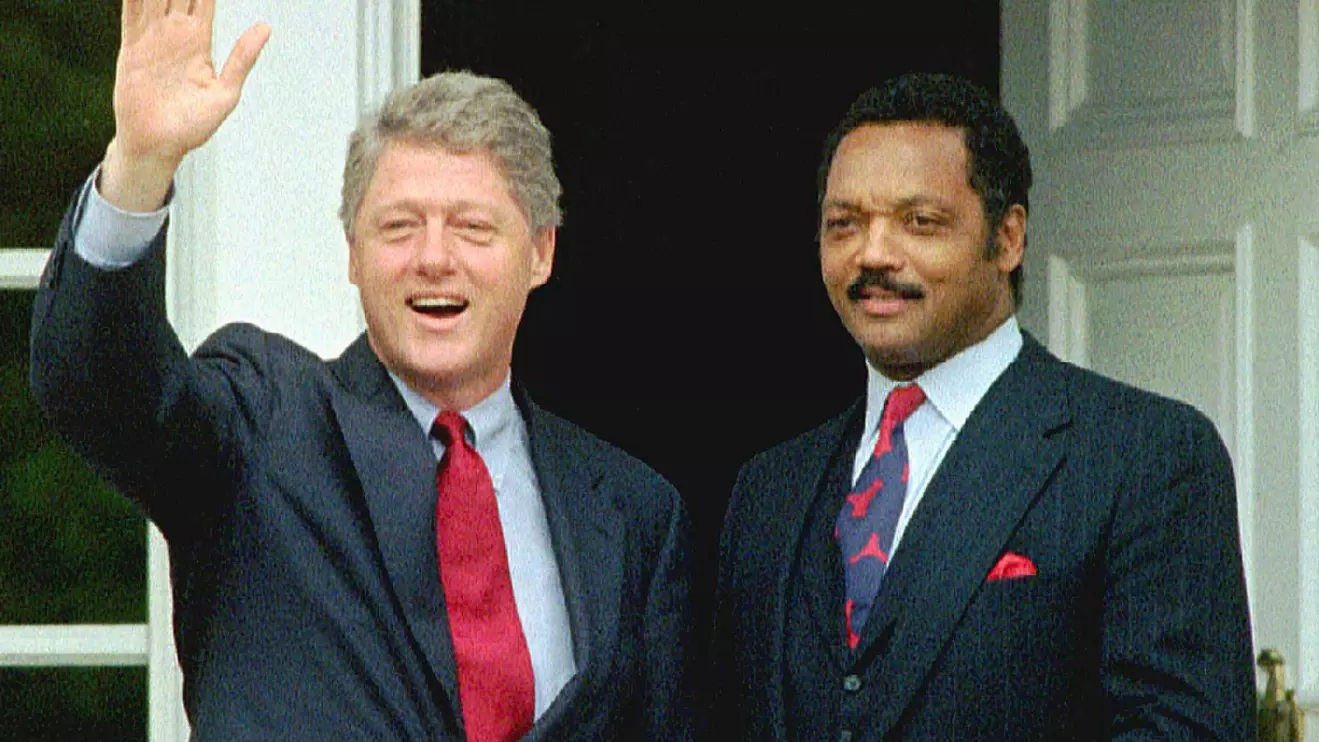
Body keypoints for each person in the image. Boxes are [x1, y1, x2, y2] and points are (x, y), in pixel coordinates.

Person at [30, 1, 694, 739]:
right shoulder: (262, 426)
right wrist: (140, 166)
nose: (434, 257)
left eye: (473, 228)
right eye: (398, 226)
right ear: (352, 254)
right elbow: (101, 387)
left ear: (539, 253)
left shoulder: (633, 513)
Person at [711, 72, 1255, 740]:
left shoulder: (1142, 457)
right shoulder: (770, 491)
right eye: (843, 224)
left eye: (920, 222)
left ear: (1008, 238)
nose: (873, 254)